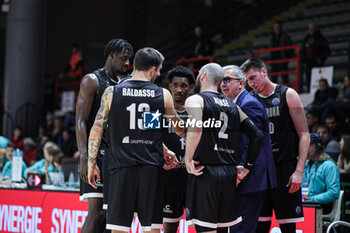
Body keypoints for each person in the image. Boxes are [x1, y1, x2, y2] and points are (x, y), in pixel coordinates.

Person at [87, 47, 185, 233]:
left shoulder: (112, 92)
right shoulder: (161, 94)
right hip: (150, 171)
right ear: (152, 69)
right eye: (159, 70)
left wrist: (92, 162)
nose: (158, 75)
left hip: (121, 170)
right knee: (152, 229)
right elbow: (177, 129)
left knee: (119, 229)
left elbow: (97, 128)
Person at [184, 63, 264, 233]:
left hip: (205, 172)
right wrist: (247, 167)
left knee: (206, 230)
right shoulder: (233, 105)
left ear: (203, 76)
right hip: (229, 175)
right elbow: (257, 135)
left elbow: (196, 127)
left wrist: (188, 158)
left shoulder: (196, 99)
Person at [240, 58, 310, 233]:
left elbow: (304, 134)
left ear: (264, 72)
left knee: (288, 226)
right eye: (247, 80)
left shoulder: (288, 94)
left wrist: (299, 171)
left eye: (253, 78)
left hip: (285, 168)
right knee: (259, 225)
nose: (251, 83)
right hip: (261, 170)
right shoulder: (250, 100)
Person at [75, 38, 134, 233]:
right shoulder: (92, 80)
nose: (128, 63)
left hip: (116, 156)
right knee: (97, 213)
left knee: (111, 217)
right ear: (111, 55)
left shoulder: (125, 83)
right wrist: (84, 157)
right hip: (96, 155)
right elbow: (81, 121)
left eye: (130, 59)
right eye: (124, 58)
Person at [220, 65, 277, 233]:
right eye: (221, 80)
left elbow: (248, 142)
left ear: (241, 84)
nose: (223, 84)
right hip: (246, 177)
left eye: (228, 80)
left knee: (242, 229)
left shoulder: (248, 104)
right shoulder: (235, 104)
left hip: (250, 178)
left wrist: (242, 169)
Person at [162, 66, 194, 233]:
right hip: (168, 179)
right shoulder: (158, 109)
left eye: (183, 85)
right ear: (170, 86)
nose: (179, 89)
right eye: (175, 85)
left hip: (193, 180)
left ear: (190, 88)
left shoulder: (197, 111)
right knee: (170, 228)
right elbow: (146, 137)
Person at [302, 133, 340, 214]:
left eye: (310, 144)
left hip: (320, 207)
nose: (306, 148)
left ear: (318, 146)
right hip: (303, 204)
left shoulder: (329, 166)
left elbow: (334, 192)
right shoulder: (304, 164)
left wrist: (312, 199)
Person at [302, 23, 330, 90]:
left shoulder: (321, 38)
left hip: (317, 64)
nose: (310, 30)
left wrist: (320, 60)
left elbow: (327, 51)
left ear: (316, 29)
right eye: (309, 29)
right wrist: (304, 60)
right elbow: (303, 50)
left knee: (318, 81)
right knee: (309, 80)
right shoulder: (306, 38)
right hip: (308, 63)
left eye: (312, 28)